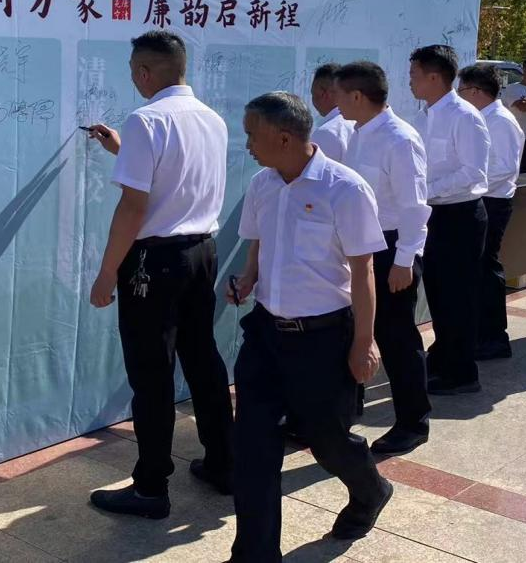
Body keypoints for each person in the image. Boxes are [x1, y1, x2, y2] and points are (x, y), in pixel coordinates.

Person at [227, 92, 392, 560]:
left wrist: (364, 342)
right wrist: (248, 278)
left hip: (323, 339)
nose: (247, 145)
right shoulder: (262, 184)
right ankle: (254, 555)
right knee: (254, 447)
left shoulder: (345, 188)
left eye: (252, 135)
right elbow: (258, 244)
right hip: (265, 336)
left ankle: (370, 490)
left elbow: (363, 270)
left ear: (283, 138)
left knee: (328, 441)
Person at [84, 30, 234, 519]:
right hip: (201, 253)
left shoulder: (146, 120)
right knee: (202, 359)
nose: (133, 80)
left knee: (151, 374)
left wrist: (108, 272)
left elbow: (134, 206)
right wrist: (122, 149)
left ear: (146, 72)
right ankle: (224, 464)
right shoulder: (211, 119)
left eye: (134, 72)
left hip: (154, 261)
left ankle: (150, 488)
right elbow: (176, 176)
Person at [334, 61, 433, 454]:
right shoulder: (358, 133)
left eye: (340, 94)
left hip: (392, 248)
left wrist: (404, 259)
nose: (335, 102)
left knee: (397, 338)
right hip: (363, 245)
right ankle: (345, 412)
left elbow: (415, 206)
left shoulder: (399, 139)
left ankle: (413, 422)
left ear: (358, 96)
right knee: (356, 330)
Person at [410, 45, 491, 394]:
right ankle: (444, 358)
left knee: (458, 296)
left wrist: (425, 191)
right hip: (434, 214)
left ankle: (462, 373)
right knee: (439, 294)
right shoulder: (424, 117)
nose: (410, 82)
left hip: (459, 215)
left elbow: (473, 173)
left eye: (414, 75)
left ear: (434, 77)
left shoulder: (464, 116)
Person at [458, 63, 525, 360]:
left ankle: (494, 337)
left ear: (475, 91)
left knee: (487, 269)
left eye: (461, 90)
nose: (458, 96)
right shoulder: (482, 118)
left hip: (492, 202)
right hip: (479, 199)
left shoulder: (500, 121)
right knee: (476, 270)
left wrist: (465, 183)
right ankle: (478, 333)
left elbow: (504, 168)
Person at [310, 62, 355, 163]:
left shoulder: (325, 133)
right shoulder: (357, 124)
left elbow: (318, 171)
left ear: (323, 94)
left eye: (313, 93)